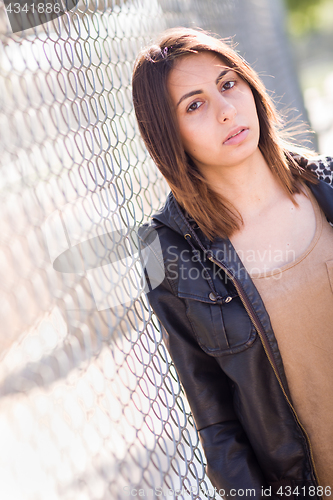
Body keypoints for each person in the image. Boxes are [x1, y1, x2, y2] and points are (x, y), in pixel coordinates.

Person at [132, 27, 333, 500]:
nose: (226, 110)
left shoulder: (328, 185)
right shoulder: (171, 253)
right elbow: (216, 423)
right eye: (194, 105)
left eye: (227, 84)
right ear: (168, 133)